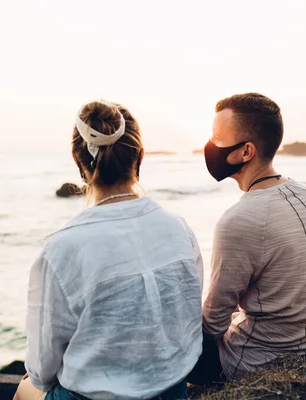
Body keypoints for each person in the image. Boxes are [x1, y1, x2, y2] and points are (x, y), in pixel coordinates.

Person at [14, 101, 203, 400]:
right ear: (139, 158)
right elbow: (188, 320)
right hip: (172, 390)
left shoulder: (62, 248)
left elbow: (42, 369)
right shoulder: (179, 228)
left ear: (78, 162)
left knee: (26, 388)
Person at [189, 93, 306, 384]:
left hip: (253, 363)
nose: (211, 146)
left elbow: (213, 324)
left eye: (218, 138)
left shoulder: (241, 219)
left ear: (246, 152)